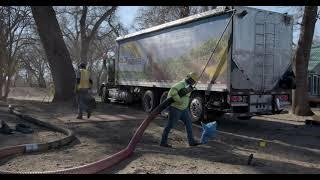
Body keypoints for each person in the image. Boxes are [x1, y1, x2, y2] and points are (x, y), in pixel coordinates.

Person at [160, 72, 201, 148]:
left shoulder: (188, 86)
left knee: (189, 124)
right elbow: (172, 91)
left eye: (193, 81)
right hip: (175, 109)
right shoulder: (181, 84)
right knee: (170, 125)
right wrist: (179, 100)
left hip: (184, 109)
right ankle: (163, 142)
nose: (193, 82)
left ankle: (191, 141)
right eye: (192, 80)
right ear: (188, 78)